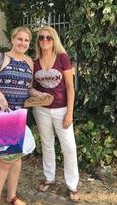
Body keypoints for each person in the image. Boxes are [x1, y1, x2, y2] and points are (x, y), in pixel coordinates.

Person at [0, 26, 33, 205]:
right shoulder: (0, 58)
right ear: (12, 40)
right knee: (4, 161)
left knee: (16, 158)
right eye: (20, 39)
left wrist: (38, 95)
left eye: (26, 40)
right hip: (2, 116)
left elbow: (29, 87)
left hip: (20, 115)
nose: (23, 43)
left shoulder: (29, 62)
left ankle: (12, 196)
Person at [31, 26, 79, 202]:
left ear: (54, 40)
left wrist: (69, 113)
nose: (44, 40)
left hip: (62, 109)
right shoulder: (34, 61)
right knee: (47, 144)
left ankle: (72, 185)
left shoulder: (63, 58)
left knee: (69, 148)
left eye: (48, 38)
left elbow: (69, 87)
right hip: (41, 110)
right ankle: (49, 178)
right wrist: (36, 94)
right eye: (41, 37)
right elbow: (30, 88)